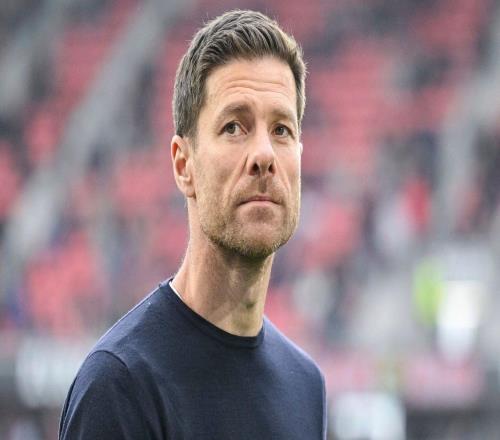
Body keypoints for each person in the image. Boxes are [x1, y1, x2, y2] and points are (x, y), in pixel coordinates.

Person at [59, 9, 326, 439]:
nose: (264, 154)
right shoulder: (121, 385)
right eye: (234, 127)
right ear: (184, 165)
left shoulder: (306, 387)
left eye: (282, 130)